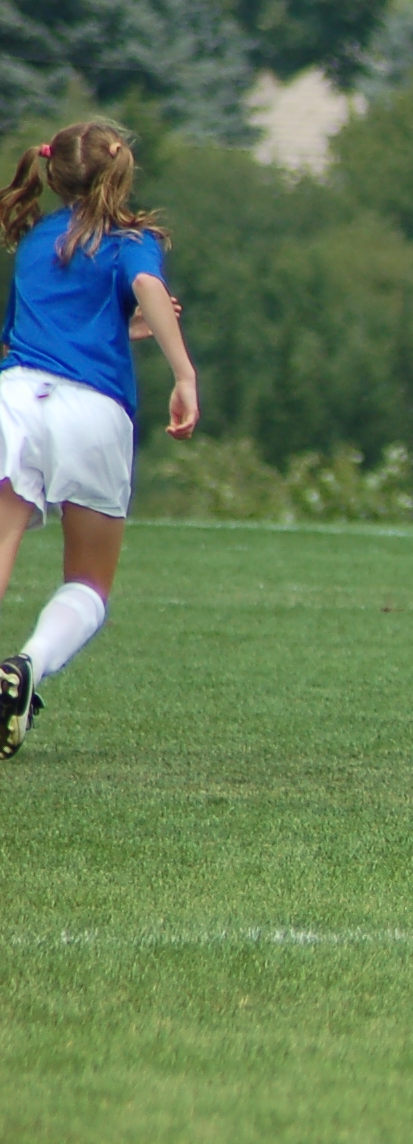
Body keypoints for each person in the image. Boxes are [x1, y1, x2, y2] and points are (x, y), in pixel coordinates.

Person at [0, 120, 201, 758]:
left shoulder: (36, 238)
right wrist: (184, 374)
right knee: (89, 581)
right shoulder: (131, 239)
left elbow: (36, 332)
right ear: (121, 170)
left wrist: (126, 328)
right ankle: (26, 665)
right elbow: (144, 285)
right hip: (92, 411)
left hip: (16, 396)